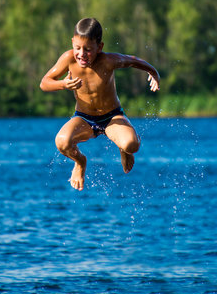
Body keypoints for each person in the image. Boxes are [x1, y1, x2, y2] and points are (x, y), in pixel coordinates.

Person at [40, 18, 160, 191]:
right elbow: (44, 83)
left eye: (88, 49)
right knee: (62, 142)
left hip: (112, 117)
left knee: (131, 145)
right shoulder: (68, 59)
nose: (81, 54)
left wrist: (153, 72)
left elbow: (133, 60)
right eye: (77, 48)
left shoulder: (109, 61)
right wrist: (63, 84)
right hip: (84, 119)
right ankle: (80, 163)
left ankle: (124, 150)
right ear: (72, 42)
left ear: (100, 47)